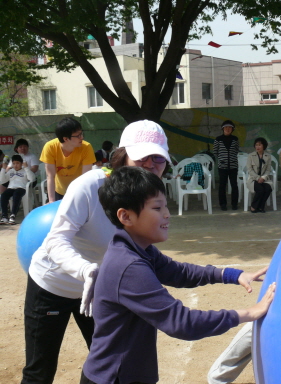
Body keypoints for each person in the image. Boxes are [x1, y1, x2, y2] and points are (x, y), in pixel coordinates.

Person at [80, 167, 275, 384]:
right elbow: (181, 322)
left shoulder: (138, 249)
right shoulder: (128, 266)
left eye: (165, 206)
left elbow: (180, 273)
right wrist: (249, 312)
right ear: (125, 216)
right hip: (114, 378)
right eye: (157, 208)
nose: (167, 214)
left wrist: (232, 274)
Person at [21, 120, 171, 384]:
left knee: (110, 366)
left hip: (99, 291)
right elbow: (57, 239)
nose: (150, 164)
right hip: (53, 285)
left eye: (158, 158)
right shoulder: (90, 186)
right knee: (39, 372)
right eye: (142, 157)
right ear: (123, 156)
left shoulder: (152, 195)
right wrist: (85, 269)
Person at [39, 117, 96, 202]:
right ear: (65, 139)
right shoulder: (50, 147)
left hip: (79, 192)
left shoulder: (86, 147)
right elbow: (50, 176)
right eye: (78, 135)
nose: (82, 137)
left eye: (82, 134)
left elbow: (85, 178)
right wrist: (51, 201)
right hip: (59, 191)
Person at [0, 154, 35, 224]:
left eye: (17, 163)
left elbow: (32, 179)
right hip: (11, 188)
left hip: (21, 188)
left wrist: (26, 167)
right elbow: (2, 180)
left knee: (16, 195)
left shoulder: (25, 170)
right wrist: (3, 169)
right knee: (3, 195)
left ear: (21, 163)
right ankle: (4, 216)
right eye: (14, 163)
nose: (15, 165)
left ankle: (13, 215)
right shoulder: (10, 171)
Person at [214, 120, 239, 211]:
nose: (227, 129)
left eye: (229, 127)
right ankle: (223, 204)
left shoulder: (235, 139)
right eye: (226, 127)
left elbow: (236, 150)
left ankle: (234, 204)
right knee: (222, 186)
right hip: (222, 167)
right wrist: (222, 159)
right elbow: (215, 152)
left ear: (232, 129)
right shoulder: (218, 139)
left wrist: (231, 159)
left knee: (234, 185)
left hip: (233, 166)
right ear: (223, 129)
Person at [246, 137, 273, 213]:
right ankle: (254, 206)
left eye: (259, 145)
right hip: (253, 179)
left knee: (268, 188)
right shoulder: (251, 156)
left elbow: (268, 170)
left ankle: (261, 206)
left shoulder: (268, 156)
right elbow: (249, 169)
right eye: (256, 145)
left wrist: (263, 178)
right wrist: (258, 178)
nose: (257, 147)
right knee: (260, 190)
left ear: (264, 146)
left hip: (264, 179)